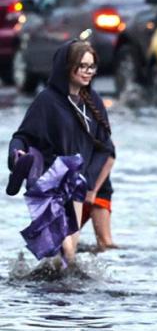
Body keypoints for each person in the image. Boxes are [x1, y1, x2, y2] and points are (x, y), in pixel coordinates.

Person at [8, 39, 115, 264]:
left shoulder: (93, 101)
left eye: (92, 66)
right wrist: (16, 154)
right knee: (61, 249)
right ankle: (46, 291)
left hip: (76, 183)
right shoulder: (47, 101)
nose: (88, 72)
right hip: (50, 180)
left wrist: (91, 184)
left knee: (67, 256)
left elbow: (106, 148)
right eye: (82, 66)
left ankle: (65, 294)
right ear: (67, 67)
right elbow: (23, 136)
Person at [80, 175, 117, 252]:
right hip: (76, 189)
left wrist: (94, 191)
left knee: (105, 243)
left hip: (97, 191)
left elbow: (109, 162)